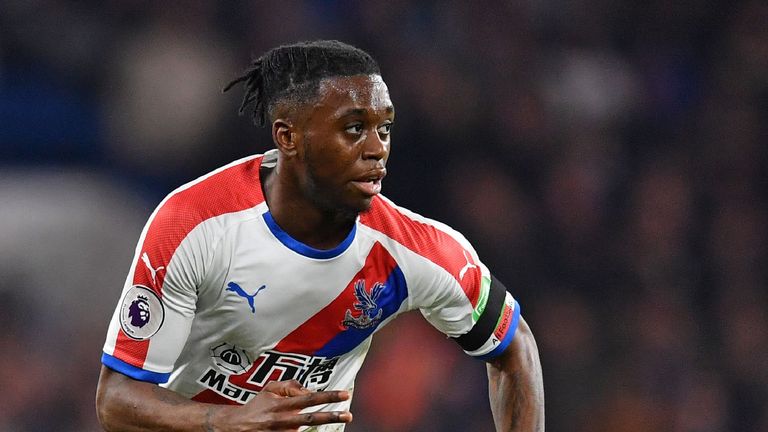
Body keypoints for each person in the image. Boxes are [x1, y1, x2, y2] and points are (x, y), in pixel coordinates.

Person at [95, 40, 544, 432]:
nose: (377, 149)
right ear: (289, 137)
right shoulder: (194, 223)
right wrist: (229, 422)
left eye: (384, 128)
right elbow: (116, 399)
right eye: (354, 129)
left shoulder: (416, 251)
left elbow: (514, 344)